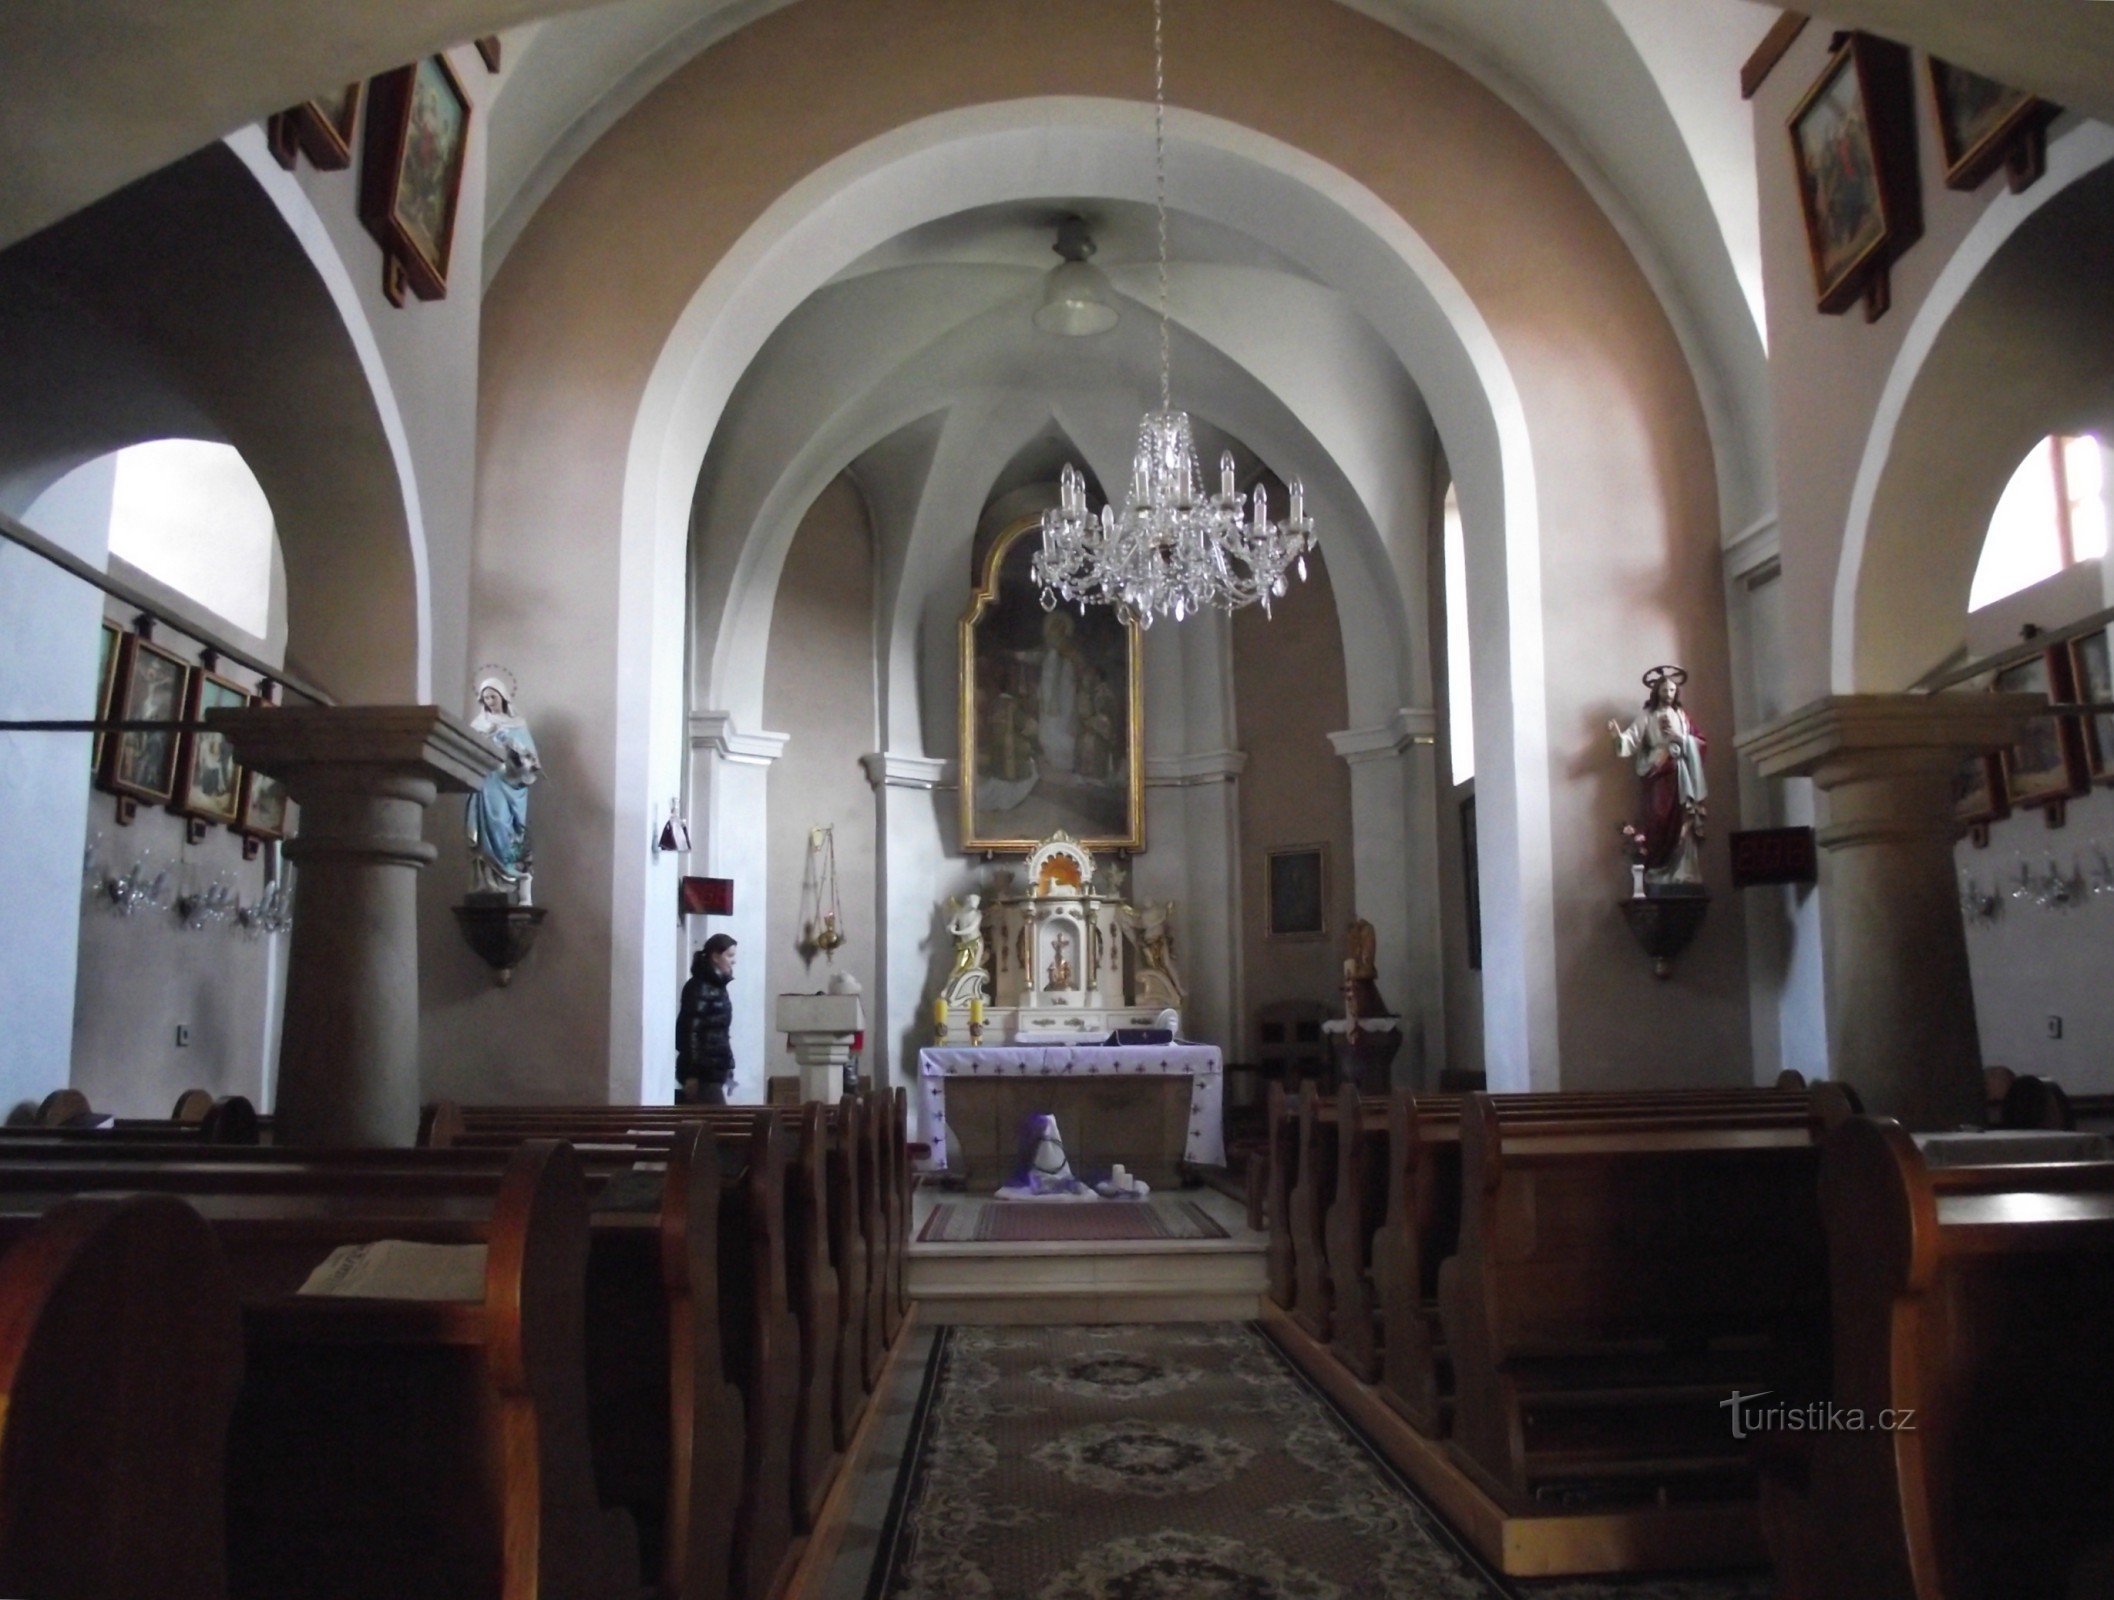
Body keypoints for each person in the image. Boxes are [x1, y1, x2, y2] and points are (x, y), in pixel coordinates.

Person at [1607, 664, 1709, 889]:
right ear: (1656, 691)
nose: (1669, 694)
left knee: (1682, 819)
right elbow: (1630, 740)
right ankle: (1657, 869)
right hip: (1658, 774)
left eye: (1673, 690)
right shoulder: (1648, 715)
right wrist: (1618, 736)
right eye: (1665, 690)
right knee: (1658, 819)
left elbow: (1700, 742)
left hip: (1680, 775)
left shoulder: (1681, 716)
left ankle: (1681, 870)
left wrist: (1681, 739)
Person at [467, 669, 541, 904]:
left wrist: (521, 757)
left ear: (503, 697)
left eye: (493, 697)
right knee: (489, 825)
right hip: (486, 781)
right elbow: (469, 751)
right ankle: (488, 882)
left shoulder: (517, 724)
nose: (490, 702)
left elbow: (531, 763)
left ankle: (511, 880)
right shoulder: (479, 724)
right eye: (486, 698)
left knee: (504, 826)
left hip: (508, 782)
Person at [677, 934, 738, 1104]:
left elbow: (720, 1032)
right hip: (703, 1073)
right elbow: (690, 1031)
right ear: (716, 956)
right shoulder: (700, 987)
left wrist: (728, 1065)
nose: (734, 961)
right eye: (730, 956)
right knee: (716, 1124)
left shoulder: (717, 986)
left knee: (714, 1124)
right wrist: (692, 1074)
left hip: (713, 1071)